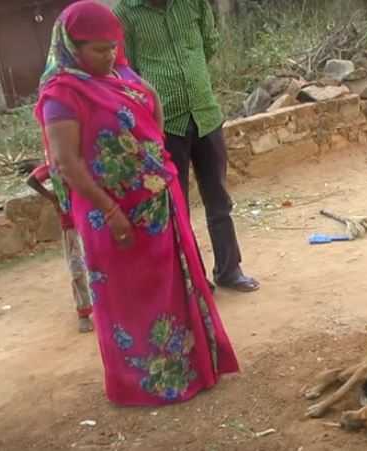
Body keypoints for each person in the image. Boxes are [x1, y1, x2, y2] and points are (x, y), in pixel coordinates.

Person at [35, 1, 238, 406]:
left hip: (156, 204)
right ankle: (142, 385)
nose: (109, 55)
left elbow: (151, 104)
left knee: (170, 290)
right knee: (131, 299)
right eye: (98, 49)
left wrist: (153, 159)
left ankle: (190, 371)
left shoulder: (121, 74)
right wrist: (111, 210)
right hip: (109, 215)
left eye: (113, 46)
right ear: (73, 47)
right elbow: (67, 162)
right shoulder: (61, 93)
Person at [114, 0, 260, 293]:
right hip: (163, 123)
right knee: (177, 208)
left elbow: (209, 43)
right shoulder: (125, 14)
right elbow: (125, 69)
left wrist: (189, 75)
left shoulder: (193, 3)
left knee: (219, 198)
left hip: (204, 113)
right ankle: (192, 280)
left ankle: (229, 270)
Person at [27, 163, 93, 333]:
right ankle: (83, 312)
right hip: (70, 221)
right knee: (77, 268)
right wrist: (52, 197)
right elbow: (32, 180)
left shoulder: (83, 159)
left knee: (96, 265)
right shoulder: (55, 164)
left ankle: (98, 307)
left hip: (90, 219)